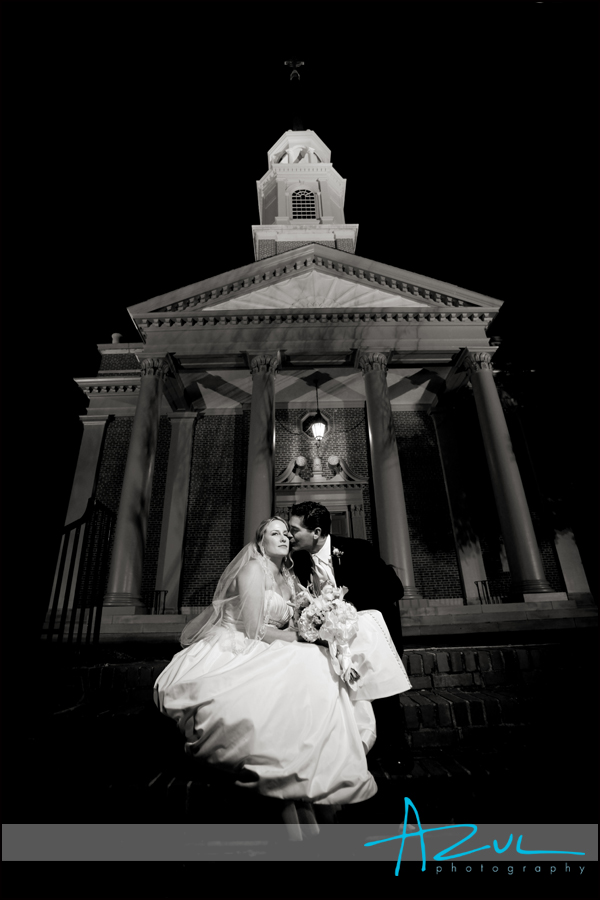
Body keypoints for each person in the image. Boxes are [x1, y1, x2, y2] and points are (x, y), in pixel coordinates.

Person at [154, 516, 412, 829]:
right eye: (274, 533)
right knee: (310, 663)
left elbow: (300, 615)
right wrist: (304, 639)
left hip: (275, 639)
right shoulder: (252, 569)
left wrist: (324, 620)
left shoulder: (288, 575)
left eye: (286, 534)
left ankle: (322, 758)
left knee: (325, 662)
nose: (283, 538)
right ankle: (296, 764)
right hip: (239, 643)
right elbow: (253, 630)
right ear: (259, 541)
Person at [288, 501, 413, 777]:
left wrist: (346, 608)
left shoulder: (358, 550)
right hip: (334, 641)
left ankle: (396, 751)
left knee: (383, 694)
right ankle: (357, 747)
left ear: (317, 532)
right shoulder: (297, 561)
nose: (289, 535)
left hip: (370, 635)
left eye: (294, 529)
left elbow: (394, 589)